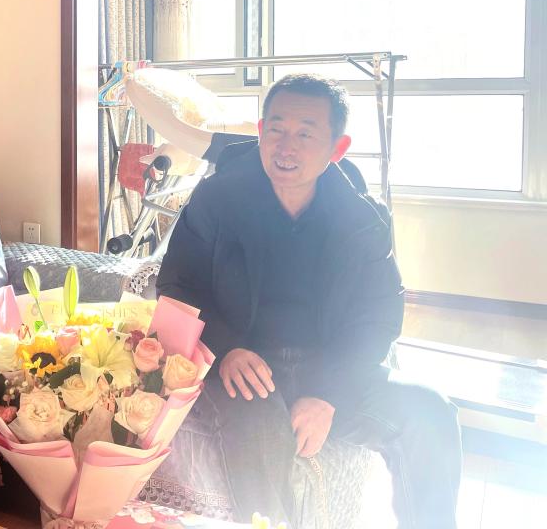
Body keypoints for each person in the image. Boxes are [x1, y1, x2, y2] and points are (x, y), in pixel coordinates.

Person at [157, 73, 461, 529]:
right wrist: (226, 348)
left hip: (329, 367)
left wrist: (327, 393)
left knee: (430, 413)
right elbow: (177, 285)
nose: (286, 147)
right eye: (277, 129)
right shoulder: (217, 199)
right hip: (244, 366)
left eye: (305, 134)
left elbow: (379, 316)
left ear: (337, 148)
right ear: (261, 131)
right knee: (260, 430)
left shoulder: (361, 217)